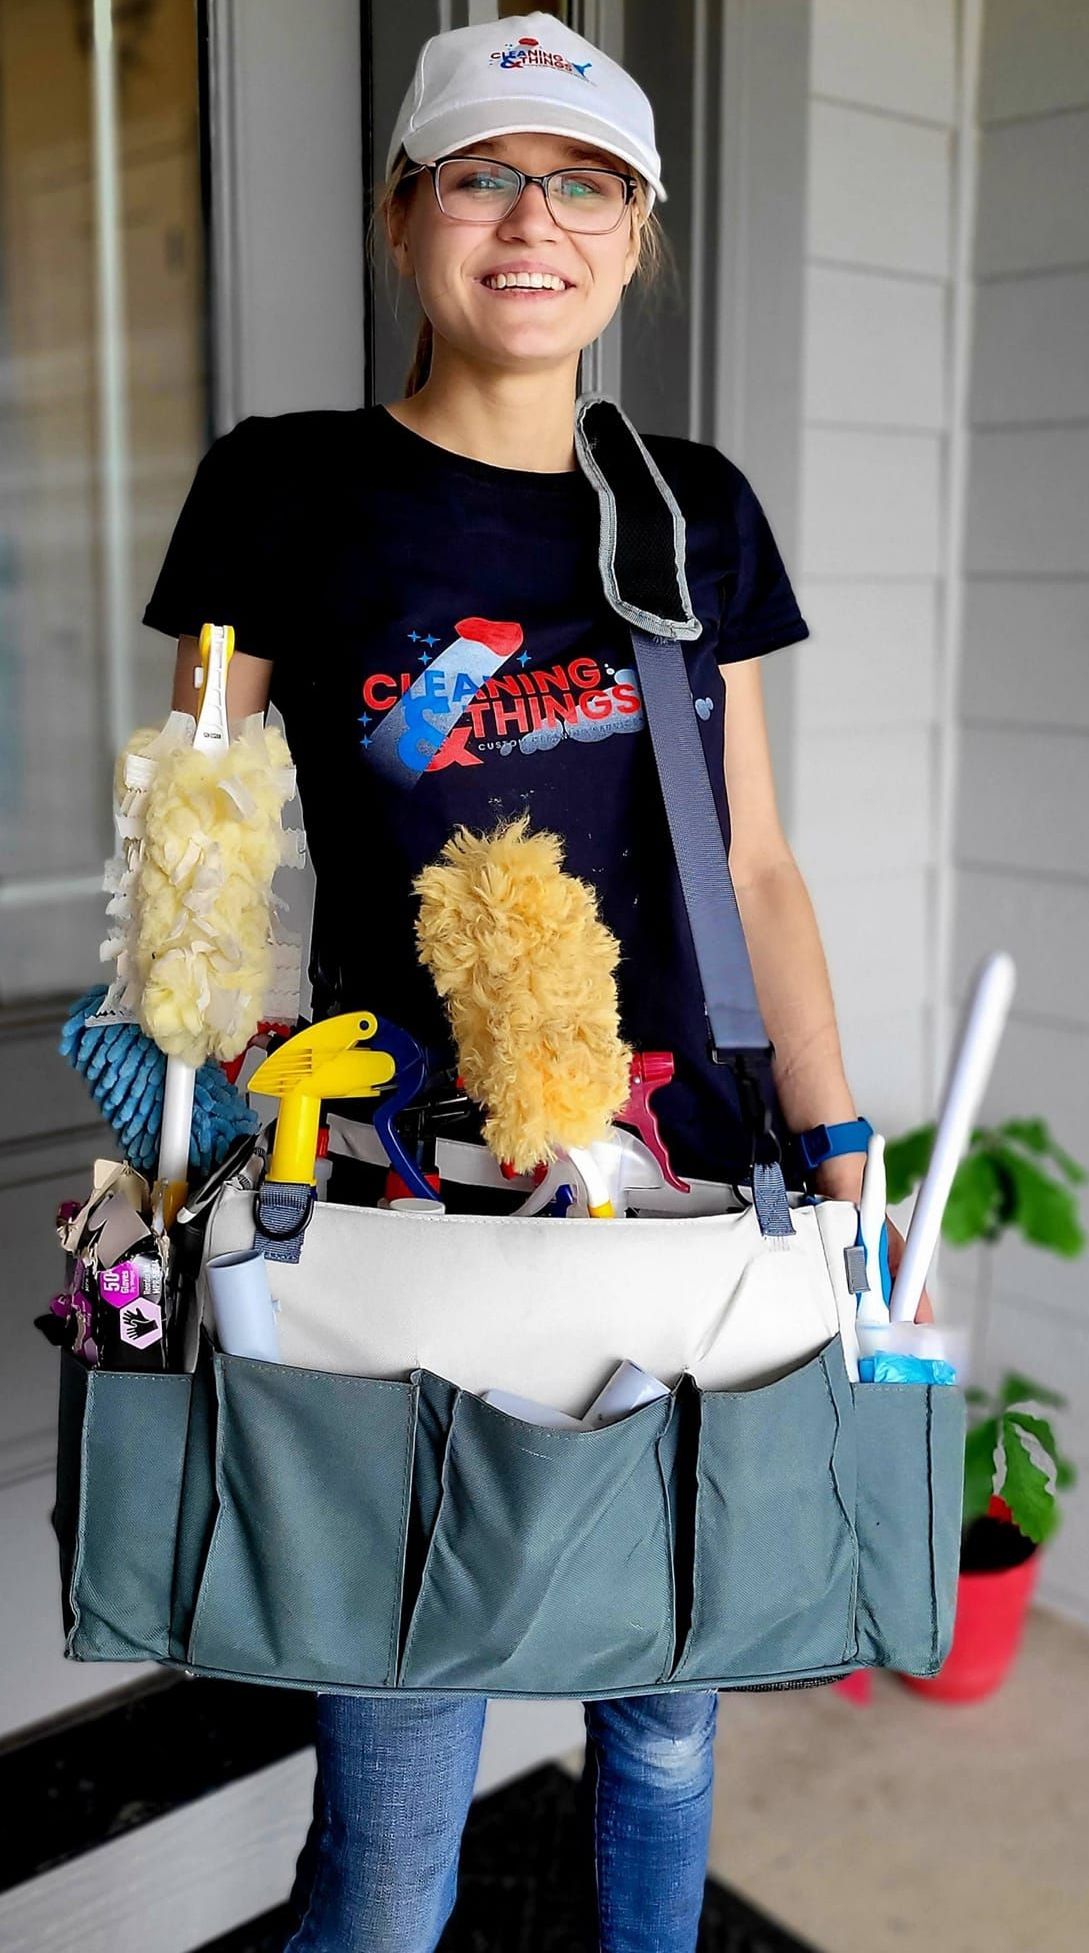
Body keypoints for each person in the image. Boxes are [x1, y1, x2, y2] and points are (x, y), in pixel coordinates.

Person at [142, 15, 933, 1949]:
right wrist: (179, 1118)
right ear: (402, 214)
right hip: (399, 1192)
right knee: (401, 1782)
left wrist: (838, 1150)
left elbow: (752, 858)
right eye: (483, 171)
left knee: (662, 1725)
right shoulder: (283, 489)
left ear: (636, 234)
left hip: (679, 1188)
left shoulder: (685, 508)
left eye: (582, 182)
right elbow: (197, 836)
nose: (532, 220)